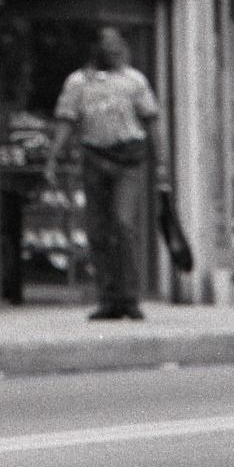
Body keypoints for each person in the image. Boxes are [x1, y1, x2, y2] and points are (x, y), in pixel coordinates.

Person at [47, 28, 160, 322]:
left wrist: (161, 163)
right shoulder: (78, 82)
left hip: (127, 160)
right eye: (106, 48)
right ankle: (108, 298)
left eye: (117, 47)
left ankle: (130, 297)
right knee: (98, 230)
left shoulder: (134, 81)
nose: (113, 53)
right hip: (94, 157)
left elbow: (151, 122)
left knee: (123, 224)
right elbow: (66, 120)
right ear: (96, 49)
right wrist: (53, 157)